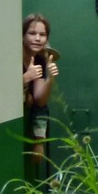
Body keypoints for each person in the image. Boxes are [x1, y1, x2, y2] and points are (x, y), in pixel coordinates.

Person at [22, 13, 59, 167]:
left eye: (42, 35)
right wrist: (25, 78)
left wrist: (50, 79)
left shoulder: (39, 58)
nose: (37, 38)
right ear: (23, 35)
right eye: (32, 33)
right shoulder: (11, 56)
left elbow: (40, 100)